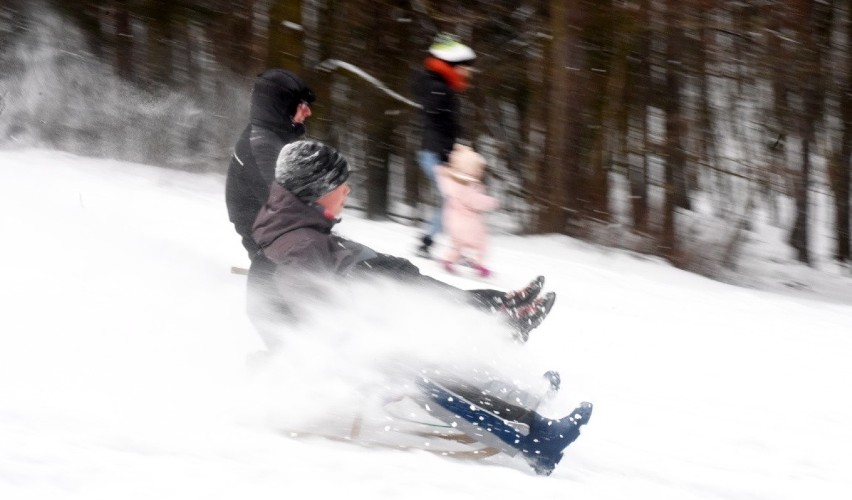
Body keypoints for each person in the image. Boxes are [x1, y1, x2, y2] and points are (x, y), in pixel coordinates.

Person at [248, 139, 592, 475]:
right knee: (424, 367)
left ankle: (524, 394)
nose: (347, 191)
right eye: (340, 185)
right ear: (316, 189)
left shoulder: (299, 229)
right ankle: (536, 439)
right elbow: (317, 317)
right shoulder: (299, 245)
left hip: (347, 331)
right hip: (324, 359)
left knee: (432, 338)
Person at [226, 68, 315, 260]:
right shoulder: (262, 146)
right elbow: (284, 207)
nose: (308, 111)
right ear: (281, 106)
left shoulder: (274, 135)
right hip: (265, 235)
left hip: (275, 228)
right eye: (301, 105)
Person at [412, 33, 477, 258]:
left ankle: (431, 242)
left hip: (438, 152)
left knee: (452, 201)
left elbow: (444, 124)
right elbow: (435, 116)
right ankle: (450, 247)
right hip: (434, 153)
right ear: (453, 65)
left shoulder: (441, 86)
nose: (469, 72)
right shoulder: (437, 86)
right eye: (466, 67)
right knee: (454, 201)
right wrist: (447, 153)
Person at [437, 144, 498, 278]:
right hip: (468, 223)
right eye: (478, 169)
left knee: (457, 245)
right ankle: (479, 264)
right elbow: (474, 201)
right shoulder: (467, 186)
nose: (480, 172)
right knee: (481, 244)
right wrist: (490, 202)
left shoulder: (450, 182)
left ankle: (448, 260)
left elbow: (442, 179)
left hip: (452, 221)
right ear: (471, 169)